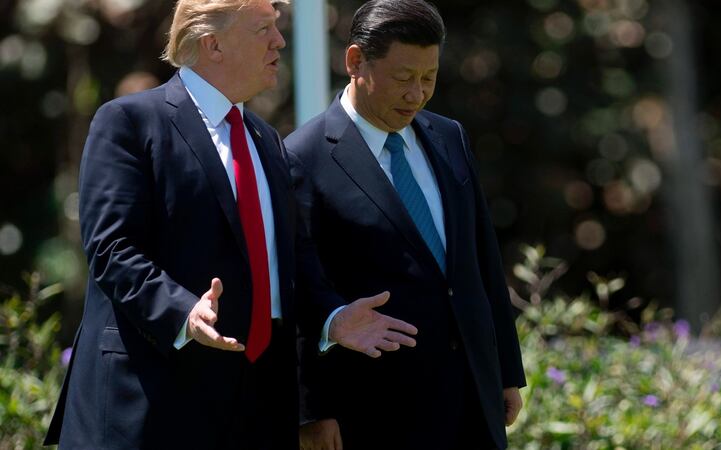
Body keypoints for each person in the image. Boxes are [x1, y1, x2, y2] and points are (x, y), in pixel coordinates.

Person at [44, 0, 417, 448]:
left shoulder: (267, 140)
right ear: (213, 44)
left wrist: (332, 317)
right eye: (263, 29)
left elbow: (292, 259)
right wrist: (183, 311)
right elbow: (112, 249)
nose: (279, 42)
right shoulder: (129, 121)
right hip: (151, 404)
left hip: (255, 409)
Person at [285, 1, 526, 449]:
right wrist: (312, 410)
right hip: (377, 410)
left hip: (473, 397)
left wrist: (506, 372)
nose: (417, 95)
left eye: (429, 78)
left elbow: (482, 260)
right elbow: (300, 290)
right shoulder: (303, 156)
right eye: (403, 78)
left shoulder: (449, 136)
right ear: (356, 61)